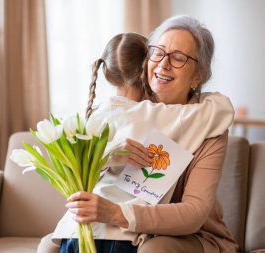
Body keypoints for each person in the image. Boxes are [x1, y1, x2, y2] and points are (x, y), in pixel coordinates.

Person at [38, 16, 237, 253]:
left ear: (198, 76)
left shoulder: (208, 121)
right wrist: (108, 155)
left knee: (154, 249)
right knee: (48, 246)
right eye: (158, 52)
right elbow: (78, 175)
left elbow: (193, 213)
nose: (164, 64)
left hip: (189, 233)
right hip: (126, 228)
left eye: (178, 58)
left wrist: (115, 213)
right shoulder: (125, 112)